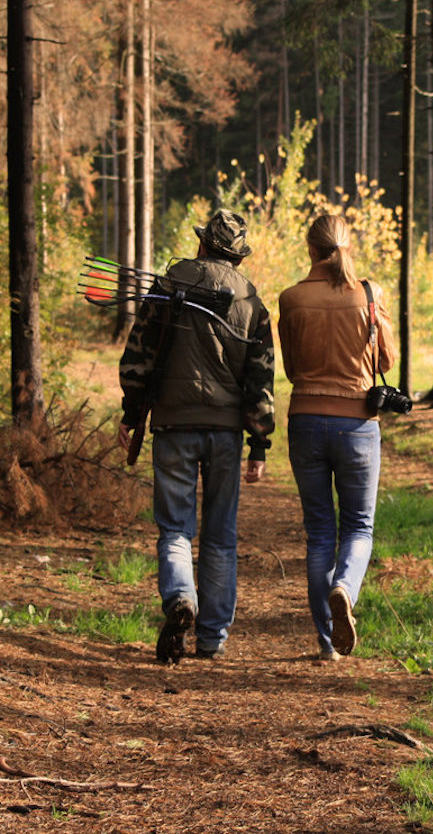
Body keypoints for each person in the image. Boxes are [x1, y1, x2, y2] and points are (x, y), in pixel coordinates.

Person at [118, 208, 275, 664]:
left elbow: (139, 354)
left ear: (203, 243)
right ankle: (211, 639)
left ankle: (181, 596)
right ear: (237, 256)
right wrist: (258, 442)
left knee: (175, 528)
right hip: (226, 433)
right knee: (221, 536)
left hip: (173, 426)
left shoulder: (168, 285)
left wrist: (132, 410)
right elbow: (260, 378)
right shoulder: (251, 300)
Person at [278, 214, 398, 661]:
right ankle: (344, 587)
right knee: (359, 527)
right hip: (358, 424)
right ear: (348, 246)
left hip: (306, 418)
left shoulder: (291, 298)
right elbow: (386, 358)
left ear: (311, 249)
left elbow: (290, 368)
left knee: (319, 532)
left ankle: (328, 643)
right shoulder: (369, 294)